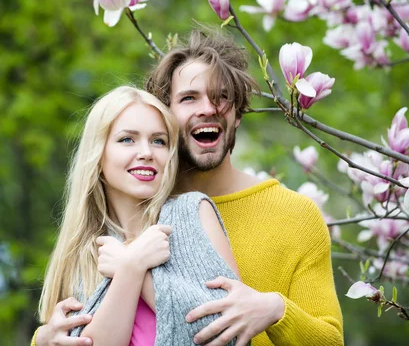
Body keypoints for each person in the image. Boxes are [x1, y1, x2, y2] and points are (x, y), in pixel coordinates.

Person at [34, 29, 344, 346]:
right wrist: (42, 340)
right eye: (189, 98)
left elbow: (331, 341)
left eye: (222, 97)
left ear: (238, 114)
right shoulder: (130, 202)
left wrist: (276, 309)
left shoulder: (294, 215)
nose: (208, 108)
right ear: (167, 114)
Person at [35, 85, 242, 346]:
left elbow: (229, 333)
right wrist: (131, 269)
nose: (146, 152)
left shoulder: (192, 213)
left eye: (159, 141)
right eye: (127, 139)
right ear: (98, 154)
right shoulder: (84, 253)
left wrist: (133, 268)